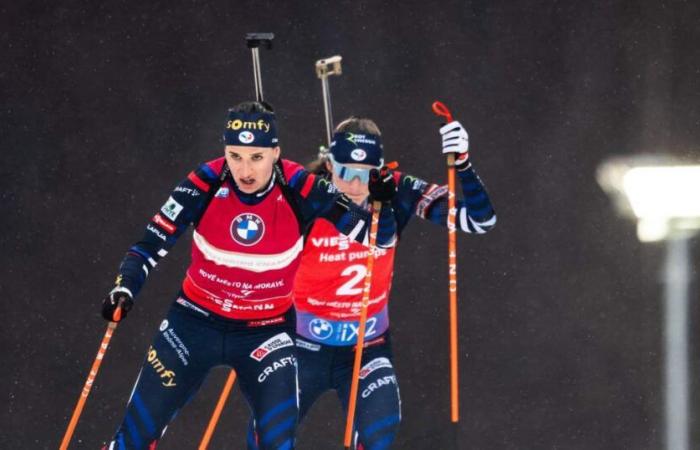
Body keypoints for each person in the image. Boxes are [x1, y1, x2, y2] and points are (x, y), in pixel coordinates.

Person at [100, 102, 398, 450]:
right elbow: (149, 244)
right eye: (235, 155)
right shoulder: (205, 181)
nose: (244, 169)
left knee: (274, 441)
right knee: (134, 437)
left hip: (265, 331)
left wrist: (383, 204)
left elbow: (377, 237)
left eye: (256, 157)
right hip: (194, 323)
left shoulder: (299, 185)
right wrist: (125, 287)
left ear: (275, 152)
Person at [249, 116, 496, 449]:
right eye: (346, 172)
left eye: (366, 175)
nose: (354, 186)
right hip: (300, 343)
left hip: (367, 346)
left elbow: (481, 220)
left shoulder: (398, 190)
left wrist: (463, 163)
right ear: (329, 164)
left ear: (380, 169)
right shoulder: (307, 192)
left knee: (378, 433)